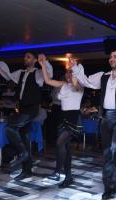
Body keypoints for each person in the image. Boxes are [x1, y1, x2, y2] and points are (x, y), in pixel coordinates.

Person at [71, 49, 116, 200]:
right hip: (106, 116)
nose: (112, 59)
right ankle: (108, 186)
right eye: (110, 57)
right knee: (107, 153)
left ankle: (114, 182)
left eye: (115, 57)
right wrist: (76, 68)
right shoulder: (103, 76)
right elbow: (86, 81)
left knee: (115, 148)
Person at [0, 52, 53, 180]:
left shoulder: (39, 73)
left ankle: (22, 152)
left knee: (9, 127)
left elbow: (49, 74)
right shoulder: (20, 73)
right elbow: (7, 74)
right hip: (23, 109)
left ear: (34, 60)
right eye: (25, 57)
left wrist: (44, 62)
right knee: (24, 138)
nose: (25, 59)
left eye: (28, 57)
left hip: (32, 108)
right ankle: (26, 170)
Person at [39, 56, 83, 188]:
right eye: (67, 72)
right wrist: (42, 64)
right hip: (62, 118)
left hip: (73, 118)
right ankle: (68, 176)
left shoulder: (80, 86)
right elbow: (47, 80)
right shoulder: (63, 84)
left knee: (59, 143)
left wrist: (74, 70)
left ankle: (58, 171)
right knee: (66, 148)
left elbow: (75, 84)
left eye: (71, 72)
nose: (68, 74)